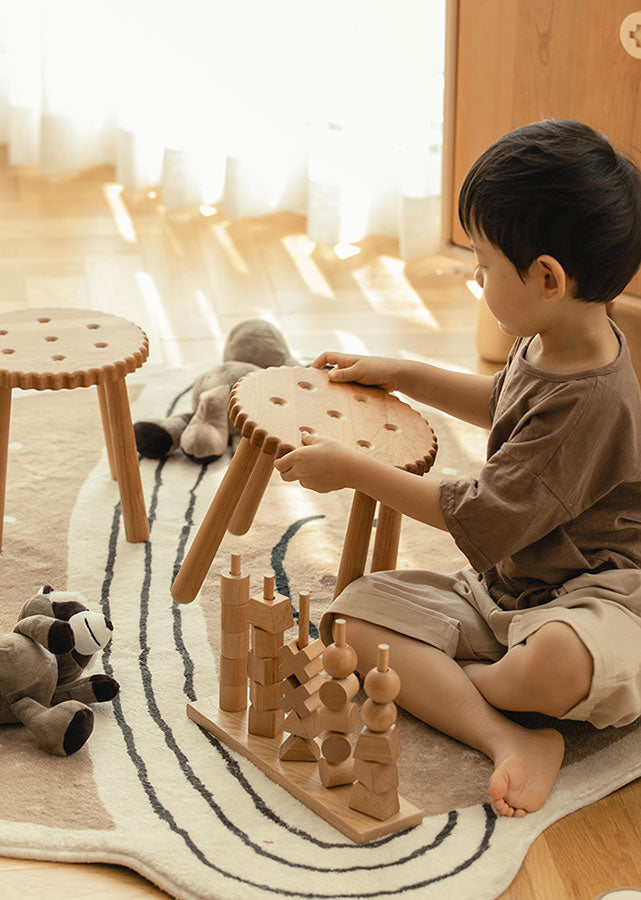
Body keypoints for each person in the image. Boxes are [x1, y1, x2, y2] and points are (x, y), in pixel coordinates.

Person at [274, 119, 641, 817]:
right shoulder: (551, 339)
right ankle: (508, 733)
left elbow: (471, 510)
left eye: (482, 265)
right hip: (507, 592)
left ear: (545, 278)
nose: (474, 278)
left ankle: (476, 682)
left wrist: (349, 466)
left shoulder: (593, 398)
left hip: (603, 597)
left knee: (552, 664)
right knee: (351, 620)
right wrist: (405, 373)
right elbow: (503, 405)